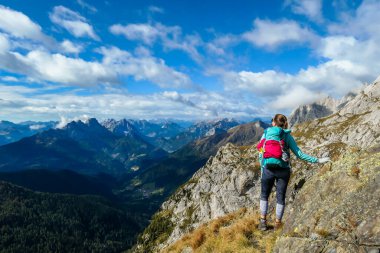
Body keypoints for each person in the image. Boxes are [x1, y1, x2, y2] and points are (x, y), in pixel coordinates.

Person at [256, 114, 330, 231]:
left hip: (267, 169)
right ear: (284, 124)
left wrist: (262, 166)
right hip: (283, 170)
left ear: (274, 123)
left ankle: (263, 222)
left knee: (264, 195)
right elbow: (299, 154)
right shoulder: (287, 136)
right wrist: (318, 160)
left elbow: (260, 151)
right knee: (280, 197)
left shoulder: (266, 134)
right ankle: (277, 224)